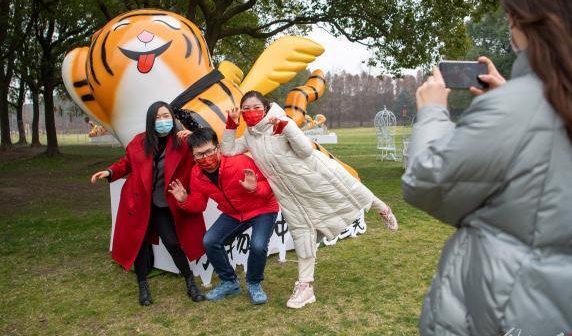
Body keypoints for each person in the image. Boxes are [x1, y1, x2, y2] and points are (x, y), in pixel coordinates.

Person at [402, 0, 572, 336]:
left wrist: (433, 112)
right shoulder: (564, 99)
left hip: (520, 326)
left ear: (534, 18)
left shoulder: (521, 109)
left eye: (513, 16)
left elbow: (426, 180)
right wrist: (510, 96)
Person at [222, 91, 399, 309]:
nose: (251, 112)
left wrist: (287, 128)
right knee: (301, 233)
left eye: (256, 107)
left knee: (351, 191)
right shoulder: (250, 136)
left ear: (266, 108)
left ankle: (383, 209)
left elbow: (305, 151)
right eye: (246, 109)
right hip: (288, 193)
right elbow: (228, 150)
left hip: (314, 175)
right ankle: (305, 287)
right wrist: (231, 125)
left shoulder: (282, 122)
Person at [91, 101, 205, 306]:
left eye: (166, 116)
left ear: (173, 118)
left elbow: (207, 148)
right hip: (139, 203)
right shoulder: (139, 142)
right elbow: (126, 163)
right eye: (158, 118)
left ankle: (190, 281)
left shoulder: (183, 142)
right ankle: (143, 285)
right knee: (139, 244)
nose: (163, 121)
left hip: (163, 203)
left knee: (172, 242)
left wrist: (194, 136)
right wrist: (110, 172)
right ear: (150, 121)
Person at [169, 128, 279, 305]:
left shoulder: (240, 161)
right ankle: (229, 282)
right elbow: (199, 204)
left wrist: (255, 188)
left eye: (209, 151)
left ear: (218, 147)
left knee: (258, 246)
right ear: (192, 156)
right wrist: (184, 200)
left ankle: (254, 283)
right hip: (234, 213)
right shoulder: (196, 174)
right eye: (199, 155)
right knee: (210, 240)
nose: (205, 157)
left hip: (263, 207)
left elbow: (271, 186)